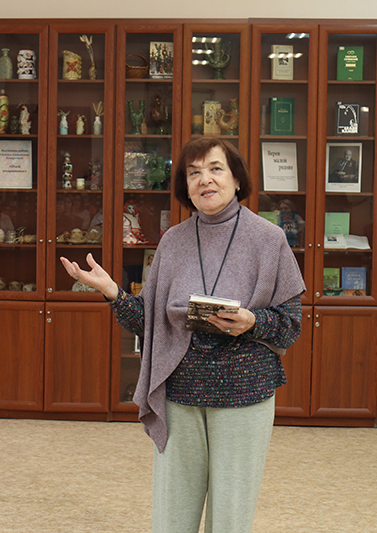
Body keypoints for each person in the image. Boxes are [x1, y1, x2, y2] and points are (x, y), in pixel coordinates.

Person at [60, 137, 305, 533]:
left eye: (215, 169)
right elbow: (151, 323)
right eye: (193, 173)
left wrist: (252, 321)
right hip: (180, 393)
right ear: (185, 187)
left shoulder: (268, 238)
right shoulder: (173, 241)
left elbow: (290, 324)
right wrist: (113, 292)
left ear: (237, 179)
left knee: (231, 513)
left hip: (245, 392)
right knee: (173, 511)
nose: (204, 179)